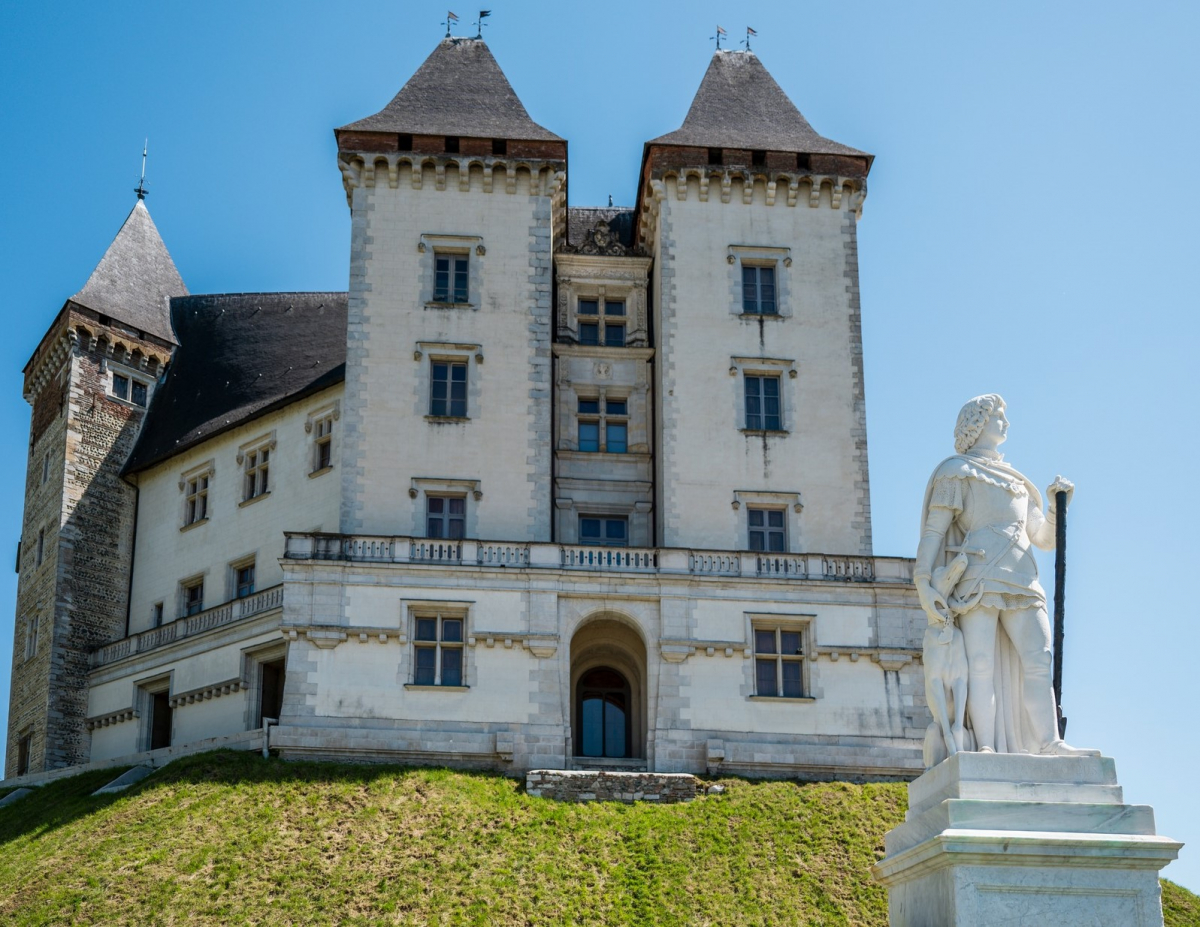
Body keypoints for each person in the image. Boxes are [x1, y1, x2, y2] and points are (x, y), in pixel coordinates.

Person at [914, 394, 1097, 757]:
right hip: (978, 579)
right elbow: (934, 533)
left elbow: (1042, 538)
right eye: (999, 417)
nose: (1006, 424)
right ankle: (985, 746)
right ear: (977, 422)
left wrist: (1056, 508)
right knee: (981, 664)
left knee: (1038, 658)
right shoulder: (957, 471)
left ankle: (1049, 742)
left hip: (1023, 577)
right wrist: (922, 581)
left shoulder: (1018, 482)